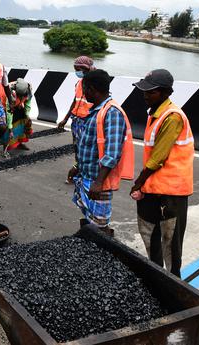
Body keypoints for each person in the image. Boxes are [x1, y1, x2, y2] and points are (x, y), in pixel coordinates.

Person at [130, 69, 194, 277]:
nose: (145, 95)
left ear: (165, 92)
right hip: (154, 188)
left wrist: (139, 182)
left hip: (171, 193)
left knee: (170, 242)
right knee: (149, 233)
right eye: (144, 91)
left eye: (151, 92)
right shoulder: (155, 114)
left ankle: (174, 282)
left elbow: (157, 158)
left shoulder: (172, 117)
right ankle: (156, 276)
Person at [72, 69, 134, 236]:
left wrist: (99, 182)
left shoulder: (111, 112)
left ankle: (103, 252)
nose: (83, 94)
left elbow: (112, 153)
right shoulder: (97, 110)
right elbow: (90, 144)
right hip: (87, 175)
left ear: (91, 89)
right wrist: (78, 166)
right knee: (90, 217)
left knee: (100, 224)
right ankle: (89, 243)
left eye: (85, 89)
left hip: (99, 180)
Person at [58, 56, 95, 183]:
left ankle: (79, 170)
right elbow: (75, 101)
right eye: (75, 69)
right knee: (77, 147)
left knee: (86, 148)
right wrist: (65, 118)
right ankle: (79, 167)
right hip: (77, 120)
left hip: (88, 121)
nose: (77, 72)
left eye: (78, 69)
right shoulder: (79, 83)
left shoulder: (95, 82)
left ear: (86, 68)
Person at [0, 78, 33, 153]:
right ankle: (5, 147)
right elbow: (9, 113)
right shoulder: (10, 93)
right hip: (4, 107)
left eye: (23, 96)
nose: (21, 97)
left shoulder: (28, 90)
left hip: (17, 104)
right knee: (6, 127)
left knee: (23, 120)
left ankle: (20, 143)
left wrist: (27, 116)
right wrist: (10, 128)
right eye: (20, 96)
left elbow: (27, 104)